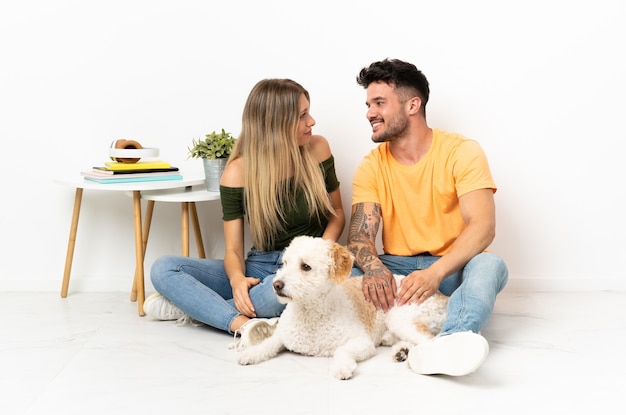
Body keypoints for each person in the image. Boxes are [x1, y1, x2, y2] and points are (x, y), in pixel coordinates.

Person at [144, 78, 345, 348]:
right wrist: (238, 280)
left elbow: (338, 214)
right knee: (163, 269)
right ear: (276, 123)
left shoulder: (318, 149)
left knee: (347, 282)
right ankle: (243, 324)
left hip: (306, 267)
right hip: (260, 268)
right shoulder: (238, 171)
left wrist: (320, 253)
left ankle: (194, 310)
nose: (312, 121)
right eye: (302, 115)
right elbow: (234, 251)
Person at [348, 58, 508, 376]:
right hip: (397, 268)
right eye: (368, 104)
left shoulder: (462, 151)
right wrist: (374, 267)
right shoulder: (371, 165)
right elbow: (359, 236)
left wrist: (435, 273)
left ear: (413, 105)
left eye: (379, 102)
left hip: (450, 266)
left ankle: (451, 341)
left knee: (490, 265)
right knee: (343, 269)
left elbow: (483, 227)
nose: (369, 112)